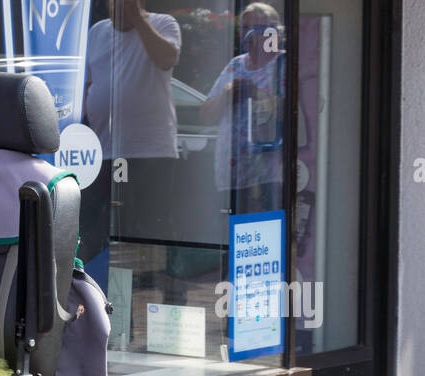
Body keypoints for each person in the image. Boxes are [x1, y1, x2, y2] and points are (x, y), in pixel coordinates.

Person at [79, 0, 182, 274]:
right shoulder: (97, 32)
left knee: (152, 222)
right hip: (103, 148)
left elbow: (166, 59)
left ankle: (166, 283)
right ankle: (95, 278)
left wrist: (138, 20)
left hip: (150, 149)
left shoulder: (162, 24)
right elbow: (87, 84)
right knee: (90, 217)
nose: (118, 6)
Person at [201, 2, 286, 214]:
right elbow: (205, 116)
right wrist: (227, 95)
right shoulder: (236, 64)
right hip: (232, 171)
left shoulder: (282, 63)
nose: (249, 36)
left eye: (255, 28)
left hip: (269, 174)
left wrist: (256, 93)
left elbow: (292, 114)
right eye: (244, 29)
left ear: (273, 32)